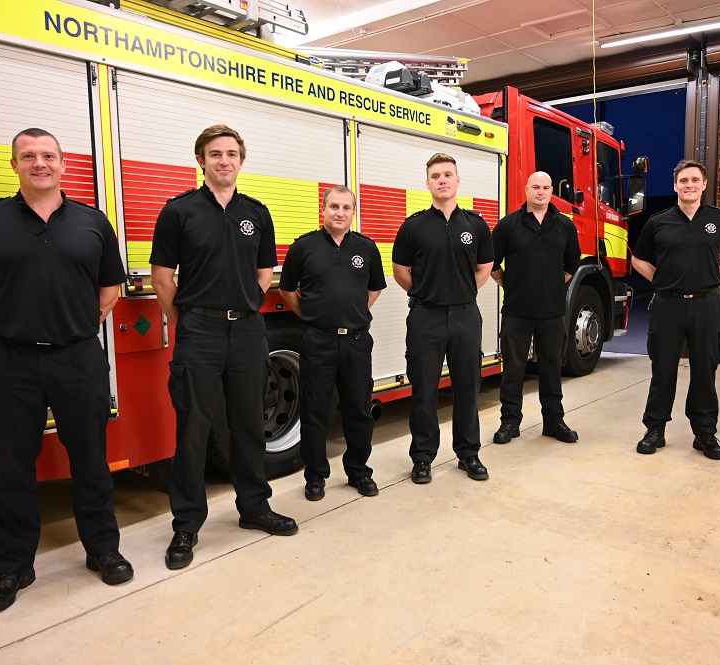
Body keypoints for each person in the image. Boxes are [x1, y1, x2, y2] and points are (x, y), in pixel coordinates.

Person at [0, 128, 132, 614]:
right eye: (28, 156)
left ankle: (103, 550)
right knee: (12, 467)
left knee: (91, 459)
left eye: (48, 155)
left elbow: (109, 292)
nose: (39, 164)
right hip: (10, 361)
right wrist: (15, 330)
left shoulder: (93, 222)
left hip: (78, 357)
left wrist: (71, 329)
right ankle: (12, 567)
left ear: (63, 164)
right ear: (13, 165)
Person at [150, 124, 298, 571]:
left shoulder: (257, 212)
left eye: (232, 153)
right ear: (201, 161)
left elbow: (264, 272)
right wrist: (190, 323)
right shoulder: (179, 212)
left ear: (241, 160)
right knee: (194, 428)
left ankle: (254, 508)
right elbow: (162, 277)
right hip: (200, 331)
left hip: (249, 332)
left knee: (249, 424)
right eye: (215, 154)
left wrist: (244, 309)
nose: (224, 161)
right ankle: (187, 524)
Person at [630, 159, 720, 460]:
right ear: (675, 186)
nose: (689, 185)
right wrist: (661, 280)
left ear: (704, 185)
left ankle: (704, 432)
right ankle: (655, 428)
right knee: (663, 368)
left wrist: (715, 277)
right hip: (667, 304)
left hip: (706, 304)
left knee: (705, 370)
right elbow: (638, 259)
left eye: (695, 180)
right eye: (684, 180)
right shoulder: (658, 222)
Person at [392, 153, 494, 484]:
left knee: (468, 386)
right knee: (424, 390)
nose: (442, 180)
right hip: (426, 317)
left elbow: (484, 269)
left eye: (448, 174)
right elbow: (400, 271)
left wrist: (461, 294)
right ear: (428, 183)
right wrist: (426, 295)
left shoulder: (475, 224)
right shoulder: (414, 226)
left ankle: (469, 454)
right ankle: (422, 458)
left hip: (466, 316)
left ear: (457, 181)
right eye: (435, 176)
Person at [279, 186, 386, 500]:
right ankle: (315, 475)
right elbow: (287, 291)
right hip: (317, 342)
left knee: (359, 410)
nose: (340, 213)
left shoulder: (366, 247)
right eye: (334, 207)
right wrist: (313, 318)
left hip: (355, 342)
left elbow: (375, 288)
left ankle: (358, 472)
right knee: (315, 412)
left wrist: (353, 314)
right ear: (322, 210)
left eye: (346, 208)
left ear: (353, 212)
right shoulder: (303, 248)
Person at [490, 171, 581, 445]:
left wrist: (551, 286)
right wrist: (511, 285)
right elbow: (493, 265)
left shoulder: (565, 225)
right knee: (513, 370)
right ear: (526, 189)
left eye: (545, 187)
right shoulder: (508, 225)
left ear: (552, 190)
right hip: (516, 311)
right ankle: (510, 422)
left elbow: (572, 265)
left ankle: (554, 421)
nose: (540, 192)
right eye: (535, 187)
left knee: (552, 368)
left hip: (552, 312)